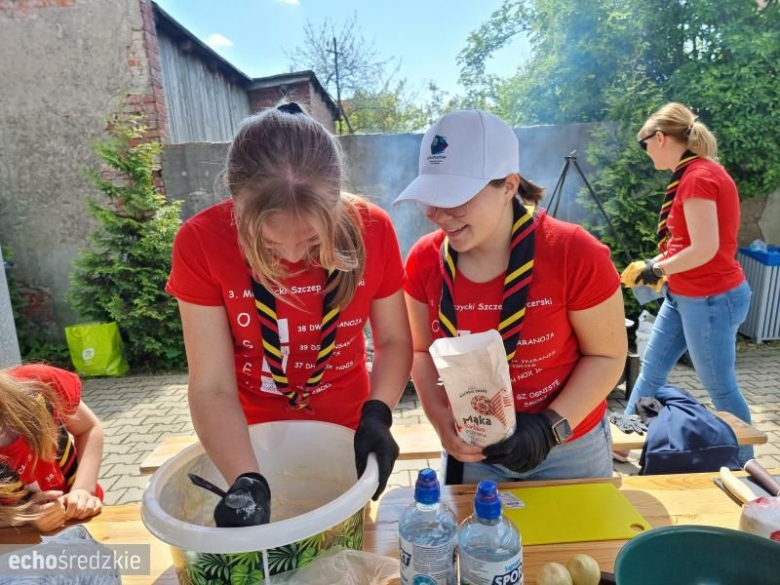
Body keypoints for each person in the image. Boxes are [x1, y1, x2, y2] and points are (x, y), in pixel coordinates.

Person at [167, 103, 412, 525]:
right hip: (246, 439)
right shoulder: (201, 242)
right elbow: (211, 386)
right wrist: (246, 480)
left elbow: (393, 342)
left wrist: (378, 413)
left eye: (313, 240)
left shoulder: (374, 228)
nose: (296, 256)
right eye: (273, 244)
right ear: (237, 207)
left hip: (346, 436)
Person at [397, 109, 627, 485]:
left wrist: (548, 428)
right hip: (472, 447)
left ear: (508, 186)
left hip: (567, 449)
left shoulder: (573, 252)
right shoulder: (424, 260)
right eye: (430, 198)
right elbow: (421, 353)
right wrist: (442, 424)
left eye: (454, 198)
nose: (438, 215)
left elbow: (607, 355)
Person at [622, 102, 753, 463]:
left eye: (644, 144)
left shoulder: (698, 177)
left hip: (711, 299)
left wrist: (656, 270)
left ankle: (747, 463)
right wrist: (653, 265)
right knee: (651, 370)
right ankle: (623, 442)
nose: (646, 152)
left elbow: (706, 249)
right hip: (686, 295)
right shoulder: (692, 174)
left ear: (660, 138)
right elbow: (685, 245)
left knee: (720, 388)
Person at [0, 364, 104, 532]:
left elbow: (89, 428)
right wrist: (24, 517)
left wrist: (83, 490)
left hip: (83, 519)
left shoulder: (37, 384)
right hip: (18, 542)